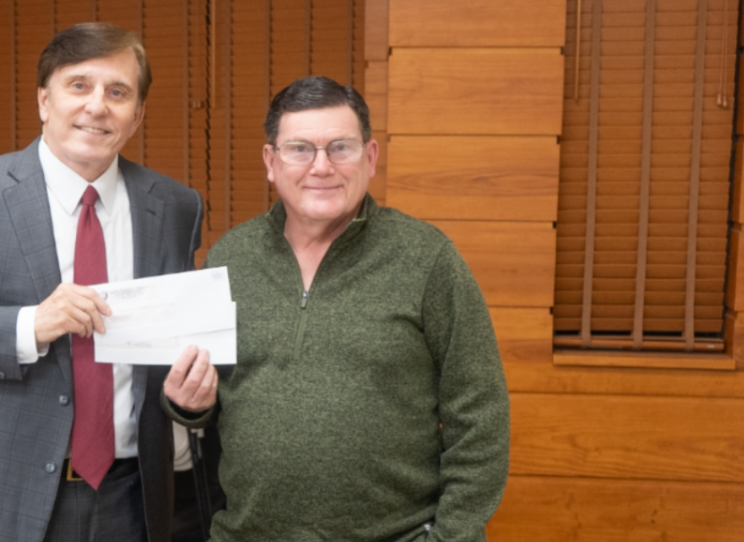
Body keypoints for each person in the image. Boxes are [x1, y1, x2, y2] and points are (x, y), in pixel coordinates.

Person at [0, 22, 215, 542]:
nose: (97, 106)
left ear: (138, 114)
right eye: (79, 85)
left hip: (131, 496)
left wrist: (188, 396)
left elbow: (169, 342)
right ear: (43, 100)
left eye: (118, 92)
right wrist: (30, 325)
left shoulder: (174, 205)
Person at [164, 76, 510, 542]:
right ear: (271, 161)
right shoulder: (232, 257)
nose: (321, 167)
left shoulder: (426, 258)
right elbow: (208, 399)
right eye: (300, 149)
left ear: (370, 157)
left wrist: (454, 536)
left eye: (340, 148)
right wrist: (187, 405)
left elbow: (480, 416)